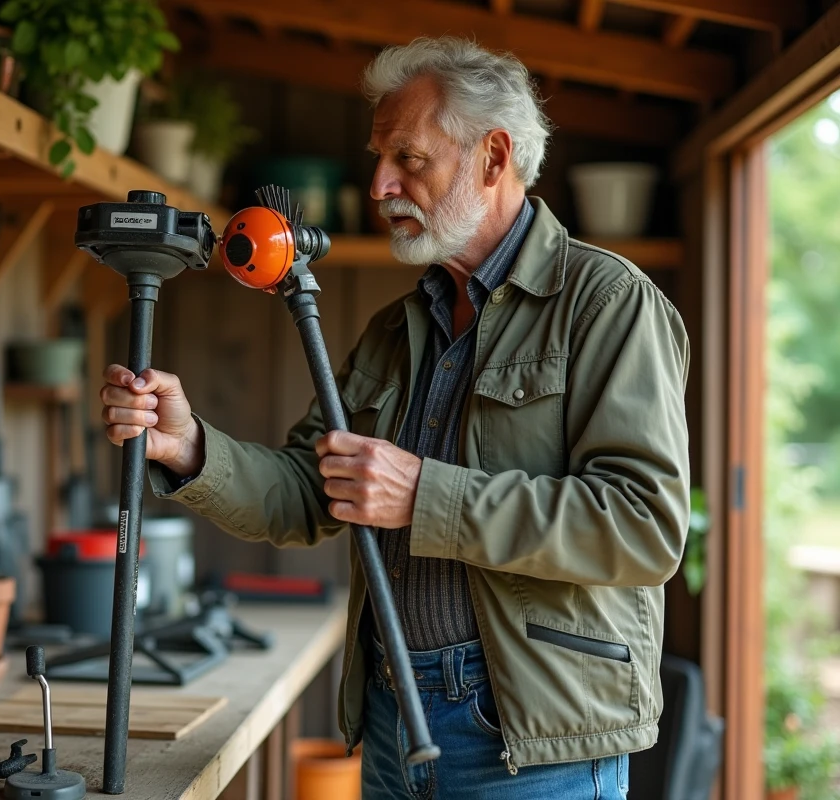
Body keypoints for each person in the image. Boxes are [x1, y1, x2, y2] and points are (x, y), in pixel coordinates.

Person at [99, 36, 689, 799]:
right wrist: (190, 448)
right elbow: (311, 493)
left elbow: (643, 526)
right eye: (379, 158)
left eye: (409, 158)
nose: (380, 185)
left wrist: (425, 497)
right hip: (392, 716)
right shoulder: (394, 328)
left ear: (493, 156)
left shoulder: (606, 304)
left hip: (531, 740)